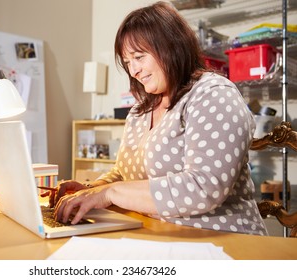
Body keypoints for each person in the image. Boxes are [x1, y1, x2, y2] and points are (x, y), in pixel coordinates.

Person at [45, 1, 268, 236]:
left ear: (171, 47)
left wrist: (109, 193)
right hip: (158, 231)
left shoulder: (213, 94)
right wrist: (90, 190)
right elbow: (122, 174)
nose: (133, 71)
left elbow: (204, 187)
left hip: (222, 238)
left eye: (139, 57)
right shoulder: (141, 110)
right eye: (128, 62)